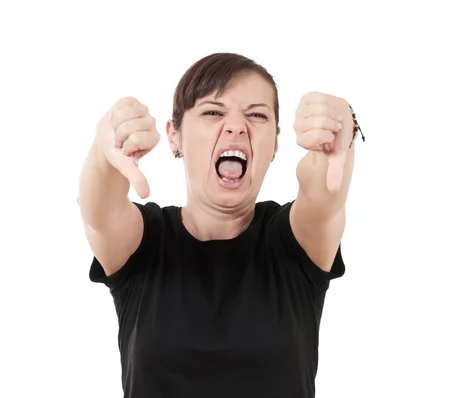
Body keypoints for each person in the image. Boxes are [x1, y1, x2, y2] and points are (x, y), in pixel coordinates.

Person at [78, 52, 363, 398]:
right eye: (213, 112)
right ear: (175, 136)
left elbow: (324, 193)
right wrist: (103, 151)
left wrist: (340, 128)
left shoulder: (294, 241)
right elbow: (100, 208)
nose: (236, 126)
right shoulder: (145, 243)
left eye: (256, 115)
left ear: (274, 142)